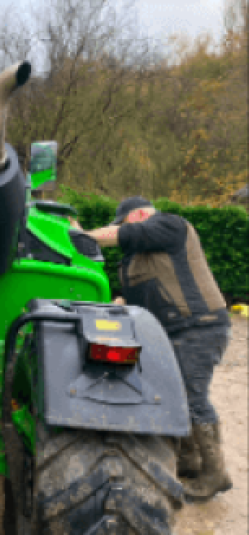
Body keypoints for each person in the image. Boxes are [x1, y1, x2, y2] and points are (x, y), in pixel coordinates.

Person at [69, 196, 233, 502]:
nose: (121, 232)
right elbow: (129, 299)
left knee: (191, 395)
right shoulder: (137, 258)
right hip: (172, 331)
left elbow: (124, 235)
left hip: (199, 325)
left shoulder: (170, 225)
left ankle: (215, 473)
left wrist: (81, 236)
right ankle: (190, 462)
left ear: (141, 214)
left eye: (123, 224)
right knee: (173, 393)